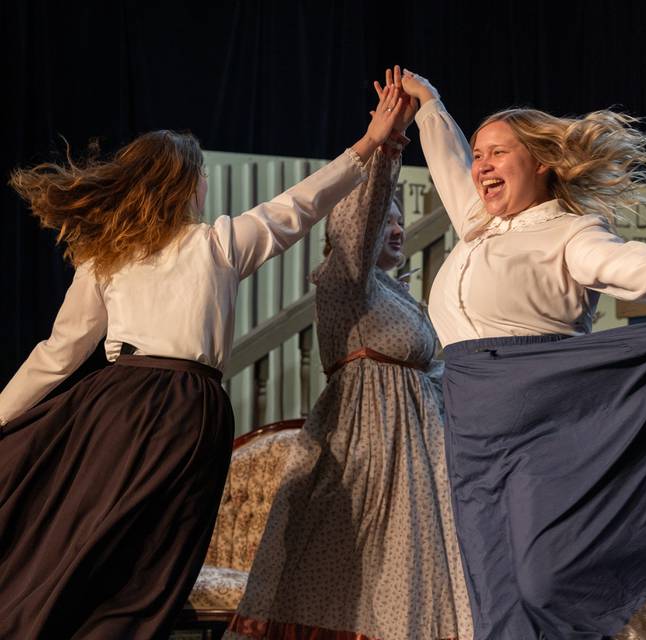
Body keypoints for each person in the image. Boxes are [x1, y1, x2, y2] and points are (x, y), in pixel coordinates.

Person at [398, 66, 646, 640]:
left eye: (498, 153)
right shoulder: (477, 224)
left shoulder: (569, 233)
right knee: (492, 585)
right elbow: (448, 163)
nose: (480, 164)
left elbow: (625, 261)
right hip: (470, 425)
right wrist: (429, 104)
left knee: (545, 579)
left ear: (541, 162)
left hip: (550, 422)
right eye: (478, 154)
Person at [0, 84, 404, 639]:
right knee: (144, 555)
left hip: (127, 405)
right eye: (202, 175)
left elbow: (58, 354)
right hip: (176, 407)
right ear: (185, 184)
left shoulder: (149, 251)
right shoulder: (213, 243)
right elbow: (302, 205)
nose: (207, 185)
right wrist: (367, 146)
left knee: (115, 545)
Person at [225, 69, 473, 640]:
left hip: (415, 445)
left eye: (400, 220)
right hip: (371, 442)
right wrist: (385, 146)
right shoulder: (343, 277)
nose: (395, 227)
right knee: (363, 573)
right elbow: (359, 218)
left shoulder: (395, 293)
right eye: (385, 218)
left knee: (419, 576)